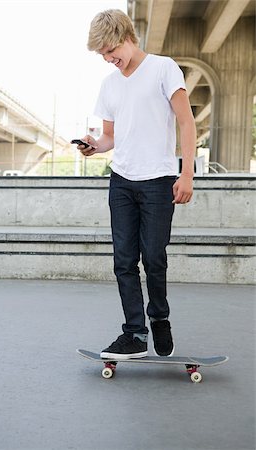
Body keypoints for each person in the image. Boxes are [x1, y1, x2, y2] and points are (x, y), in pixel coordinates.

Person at [75, 9, 196, 360]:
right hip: (122, 181)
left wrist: (186, 173)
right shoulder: (109, 84)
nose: (108, 59)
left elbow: (187, 123)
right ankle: (135, 332)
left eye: (111, 50)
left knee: (154, 257)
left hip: (159, 179)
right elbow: (110, 136)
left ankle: (159, 316)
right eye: (102, 54)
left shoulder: (163, 68)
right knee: (124, 261)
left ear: (129, 37)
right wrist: (93, 145)